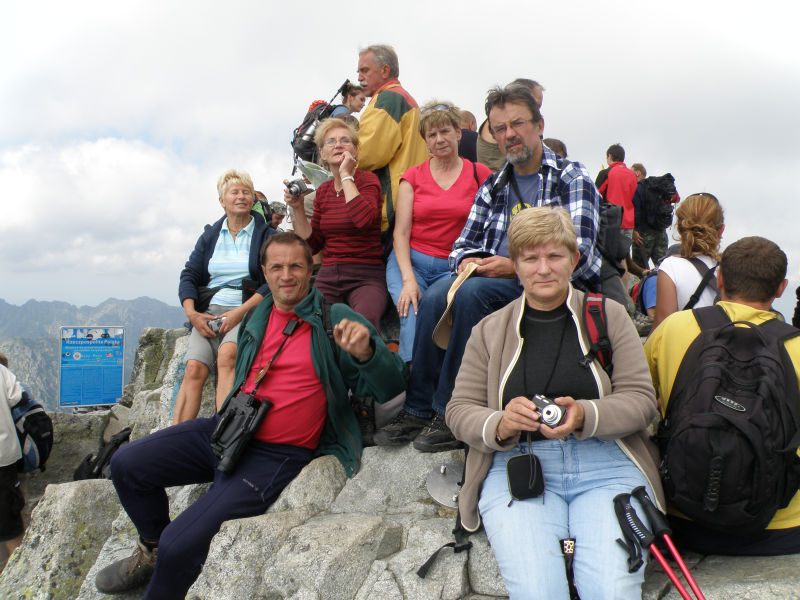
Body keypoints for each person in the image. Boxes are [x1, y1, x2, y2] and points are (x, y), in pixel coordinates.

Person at [94, 233, 407, 598]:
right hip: (229, 430)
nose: (286, 275)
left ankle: (165, 564)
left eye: (296, 266)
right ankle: (151, 549)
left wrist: (367, 352)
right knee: (127, 463)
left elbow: (392, 384)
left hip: (276, 454)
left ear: (311, 270)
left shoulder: (333, 319)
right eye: (277, 267)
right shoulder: (260, 312)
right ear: (265, 272)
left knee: (180, 543)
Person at [446, 207, 662, 599]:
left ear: (575, 260)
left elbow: (642, 401)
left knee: (613, 591)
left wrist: (585, 414)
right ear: (515, 264)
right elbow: (459, 410)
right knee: (537, 591)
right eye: (530, 258)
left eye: (555, 256)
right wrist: (500, 422)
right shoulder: (488, 330)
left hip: (608, 466)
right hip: (518, 471)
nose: (543, 269)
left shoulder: (609, 315)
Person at [374, 84, 601, 452]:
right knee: (433, 297)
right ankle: (416, 408)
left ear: (539, 125)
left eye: (517, 124)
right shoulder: (495, 185)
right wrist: (468, 261)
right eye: (499, 128)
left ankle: (450, 411)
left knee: (470, 295)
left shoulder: (570, 177)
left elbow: (582, 253)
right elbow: (462, 244)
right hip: (490, 277)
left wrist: (513, 267)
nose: (508, 134)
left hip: (542, 286)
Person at [644, 235, 800, 555]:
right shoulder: (796, 346)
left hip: (686, 521)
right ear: (781, 288)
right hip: (783, 531)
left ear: (720, 278)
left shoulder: (673, 329)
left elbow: (642, 402)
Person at [386, 101, 492, 363]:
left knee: (443, 313)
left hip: (454, 265)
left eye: (445, 131)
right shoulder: (413, 177)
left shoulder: (480, 174)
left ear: (458, 133)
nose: (439, 139)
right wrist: (409, 280)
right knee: (410, 309)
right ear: (425, 142)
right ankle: (411, 381)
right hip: (411, 261)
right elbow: (400, 234)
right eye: (432, 135)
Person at [173, 169, 273, 423]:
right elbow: (189, 275)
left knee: (228, 356)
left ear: (253, 200)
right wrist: (192, 314)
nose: (241, 197)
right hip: (209, 313)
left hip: (246, 309)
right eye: (235, 192)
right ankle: (175, 435)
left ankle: (221, 433)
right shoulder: (210, 236)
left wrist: (240, 312)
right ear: (222, 201)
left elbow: (271, 281)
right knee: (194, 368)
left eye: (246, 192)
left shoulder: (266, 236)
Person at [285, 117, 386, 331]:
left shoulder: (368, 181)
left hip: (365, 274)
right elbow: (312, 245)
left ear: (356, 150)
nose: (338, 145)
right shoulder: (323, 192)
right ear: (322, 153)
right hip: (330, 274)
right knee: (309, 327)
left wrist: (346, 176)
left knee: (362, 328)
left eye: (345, 141)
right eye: (331, 142)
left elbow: (363, 220)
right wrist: (298, 208)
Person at [355, 44, 428, 247]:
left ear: (385, 70)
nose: (359, 77)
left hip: (390, 208)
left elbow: (365, 155)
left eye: (365, 70)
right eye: (358, 72)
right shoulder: (404, 98)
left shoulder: (387, 99)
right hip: (410, 199)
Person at [652, 193, 724, 329]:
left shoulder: (671, 266)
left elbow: (661, 330)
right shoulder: (731, 268)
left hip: (688, 348)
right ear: (721, 230)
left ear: (679, 229)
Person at [477, 78, 543, 171]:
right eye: (536, 105)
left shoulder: (566, 178)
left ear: (540, 125)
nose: (509, 134)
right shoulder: (492, 184)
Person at [0, 362, 24, 561]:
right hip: (3, 456)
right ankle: (18, 578)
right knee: (10, 528)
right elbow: (17, 396)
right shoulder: (1, 371)